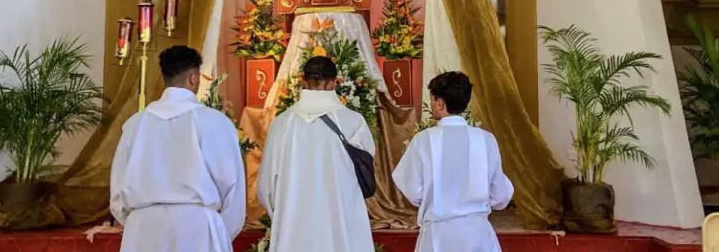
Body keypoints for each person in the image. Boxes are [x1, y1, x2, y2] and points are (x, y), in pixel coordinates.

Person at [110, 46, 246, 252]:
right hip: (198, 230)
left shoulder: (135, 125)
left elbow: (118, 191)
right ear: (193, 77)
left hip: (144, 230)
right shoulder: (214, 122)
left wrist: (139, 223)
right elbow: (232, 189)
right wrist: (218, 231)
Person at [258, 56, 375, 252]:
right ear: (333, 83)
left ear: (303, 81)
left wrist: (283, 215)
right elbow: (366, 165)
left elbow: (266, 187)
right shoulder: (354, 122)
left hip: (293, 225)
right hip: (342, 220)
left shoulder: (282, 124)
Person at [392, 71, 513, 252]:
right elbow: (500, 195)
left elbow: (413, 190)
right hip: (478, 233)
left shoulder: (424, 140)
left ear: (440, 103)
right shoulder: (486, 139)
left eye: (432, 100)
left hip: (439, 235)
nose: (432, 104)